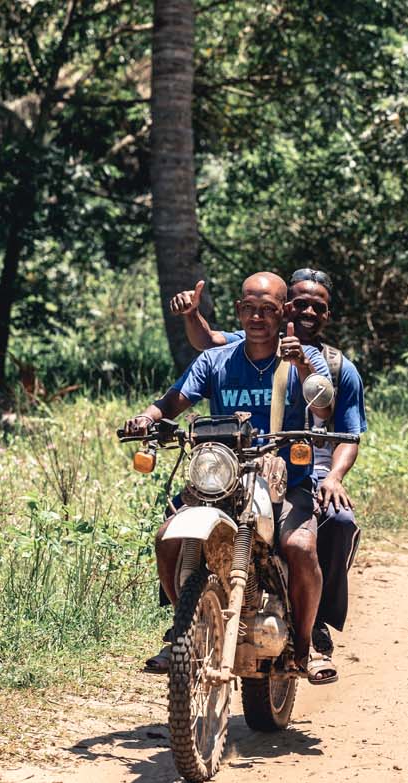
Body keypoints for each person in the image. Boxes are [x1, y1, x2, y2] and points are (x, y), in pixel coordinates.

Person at [122, 273, 336, 682]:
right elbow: (173, 401)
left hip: (284, 479)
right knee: (168, 536)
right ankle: (183, 630)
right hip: (221, 474)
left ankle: (306, 649)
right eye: (250, 309)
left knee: (302, 546)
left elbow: (324, 410)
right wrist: (146, 419)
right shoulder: (215, 360)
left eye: (269, 310)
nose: (258, 317)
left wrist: (304, 364)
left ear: (283, 312)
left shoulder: (304, 358)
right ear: (239, 311)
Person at [170, 268, 366, 682]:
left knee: (324, 531)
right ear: (286, 308)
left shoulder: (328, 364)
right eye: (299, 303)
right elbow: (207, 346)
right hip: (230, 467)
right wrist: (190, 315)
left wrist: (333, 476)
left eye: (318, 306)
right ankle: (181, 626)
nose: (306, 311)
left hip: (299, 468)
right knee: (172, 521)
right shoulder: (243, 345)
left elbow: (334, 419)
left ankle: (312, 635)